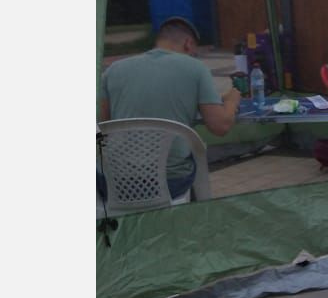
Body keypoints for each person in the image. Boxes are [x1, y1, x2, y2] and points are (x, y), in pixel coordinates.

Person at [99, 16, 241, 199]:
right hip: (168, 182)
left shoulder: (113, 70)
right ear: (189, 44)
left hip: (113, 184)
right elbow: (220, 126)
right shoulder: (196, 68)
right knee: (195, 160)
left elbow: (103, 124)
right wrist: (232, 100)